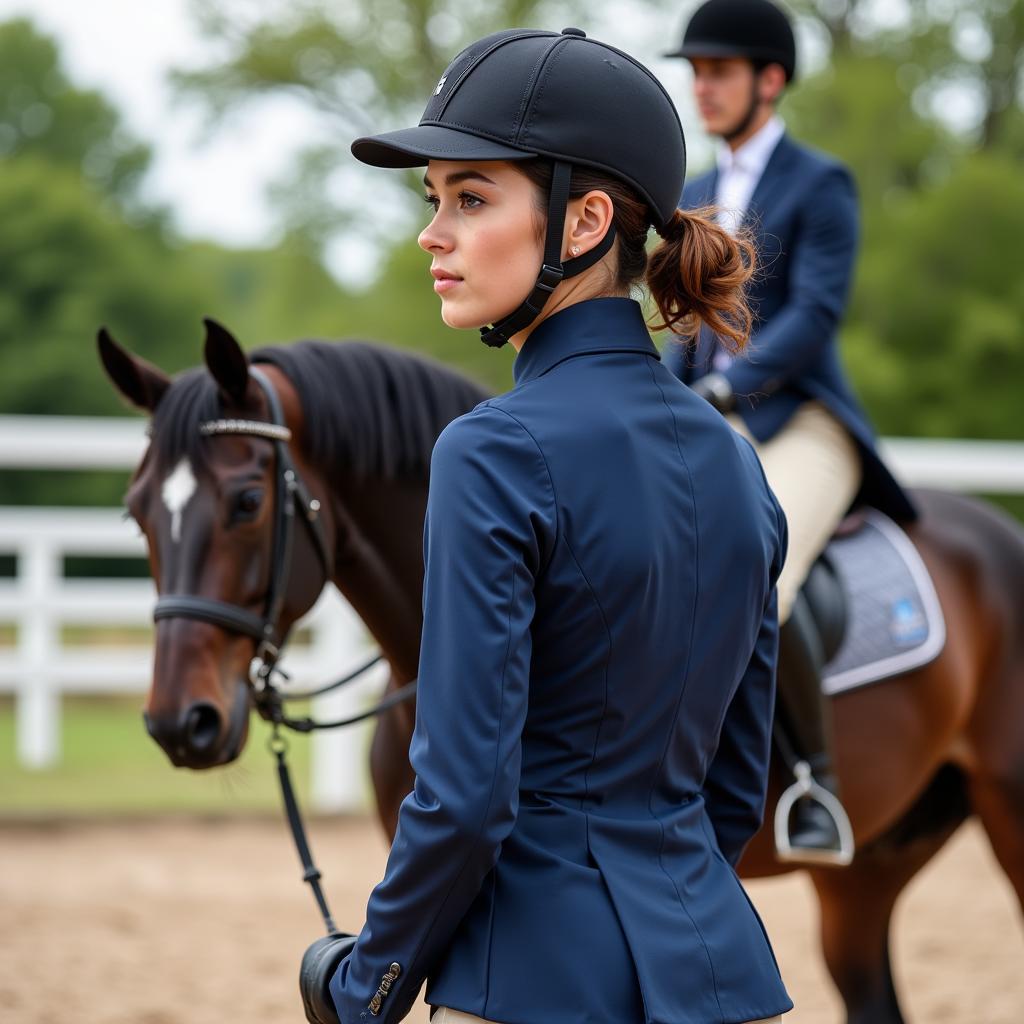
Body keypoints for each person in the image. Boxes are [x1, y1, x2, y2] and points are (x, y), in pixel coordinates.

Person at [331, 27, 793, 1024]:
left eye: (471, 196)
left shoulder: (490, 450)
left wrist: (366, 976)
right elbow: (734, 786)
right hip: (719, 972)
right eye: (433, 201)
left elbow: (461, 798)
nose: (433, 232)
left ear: (583, 220)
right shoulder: (735, 460)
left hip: (529, 976)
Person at [663, 0, 918, 865]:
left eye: (720, 72)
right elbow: (682, 320)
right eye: (695, 73)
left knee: (762, 575)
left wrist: (730, 385)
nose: (702, 88)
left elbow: (814, 312)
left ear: (770, 81)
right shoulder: (692, 194)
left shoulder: (820, 184)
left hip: (803, 421)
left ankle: (814, 783)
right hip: (715, 419)